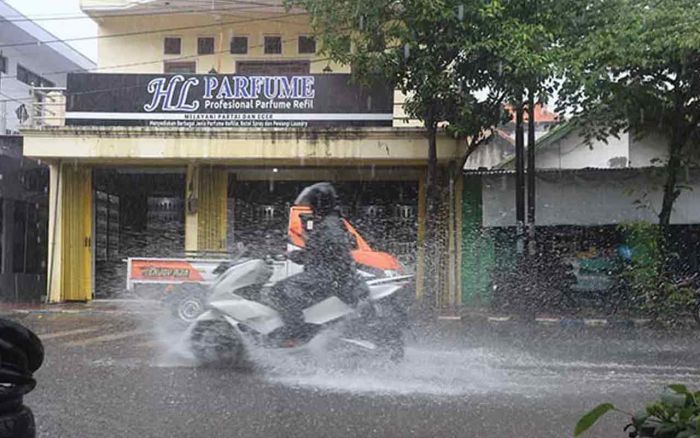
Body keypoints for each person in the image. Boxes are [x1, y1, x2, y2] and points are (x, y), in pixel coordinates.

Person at [269, 182, 362, 339]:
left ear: (320, 203)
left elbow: (320, 254)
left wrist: (296, 255)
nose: (310, 206)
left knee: (279, 291)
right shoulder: (329, 222)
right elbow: (316, 253)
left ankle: (296, 333)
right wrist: (289, 255)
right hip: (330, 274)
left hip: (330, 276)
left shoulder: (329, 226)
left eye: (312, 203)